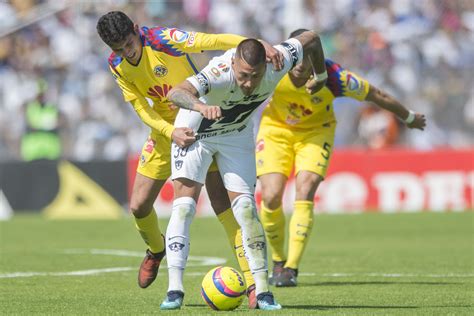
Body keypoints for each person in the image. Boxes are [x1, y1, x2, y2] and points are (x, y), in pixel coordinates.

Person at [96, 11, 283, 307]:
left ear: (136, 30)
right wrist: (169, 132)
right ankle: (157, 251)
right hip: (167, 132)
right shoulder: (116, 64)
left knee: (224, 205)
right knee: (138, 205)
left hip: (202, 123)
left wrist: (255, 42)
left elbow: (214, 40)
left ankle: (251, 283)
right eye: (117, 49)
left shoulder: (164, 40)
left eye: (129, 44)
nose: (126, 52)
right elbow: (140, 107)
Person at [165, 30, 326, 310]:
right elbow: (176, 92)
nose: (249, 83)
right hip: (195, 131)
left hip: (235, 135)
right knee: (184, 207)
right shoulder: (219, 71)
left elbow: (311, 38)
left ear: (266, 64)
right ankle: (174, 290)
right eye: (243, 76)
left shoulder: (279, 62)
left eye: (255, 76)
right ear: (234, 65)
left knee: (248, 210)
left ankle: (263, 292)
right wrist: (200, 106)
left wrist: (321, 75)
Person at [255, 29, 427, 288]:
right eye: (296, 61)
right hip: (276, 130)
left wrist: (409, 117)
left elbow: (377, 96)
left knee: (306, 187)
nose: (300, 68)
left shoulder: (336, 78)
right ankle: (278, 260)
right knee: (270, 196)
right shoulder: (274, 66)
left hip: (315, 132)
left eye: (306, 61)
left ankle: (291, 268)